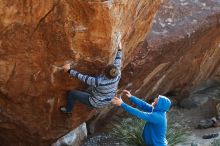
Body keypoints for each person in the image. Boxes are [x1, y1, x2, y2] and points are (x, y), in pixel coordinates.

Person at [60, 43, 122, 114]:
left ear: (105, 72)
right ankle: (84, 95)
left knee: (72, 93)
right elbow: (118, 63)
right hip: (107, 99)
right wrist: (120, 49)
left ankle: (68, 110)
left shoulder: (99, 82)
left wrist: (69, 70)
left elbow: (83, 78)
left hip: (96, 102)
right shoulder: (117, 74)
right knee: (89, 88)